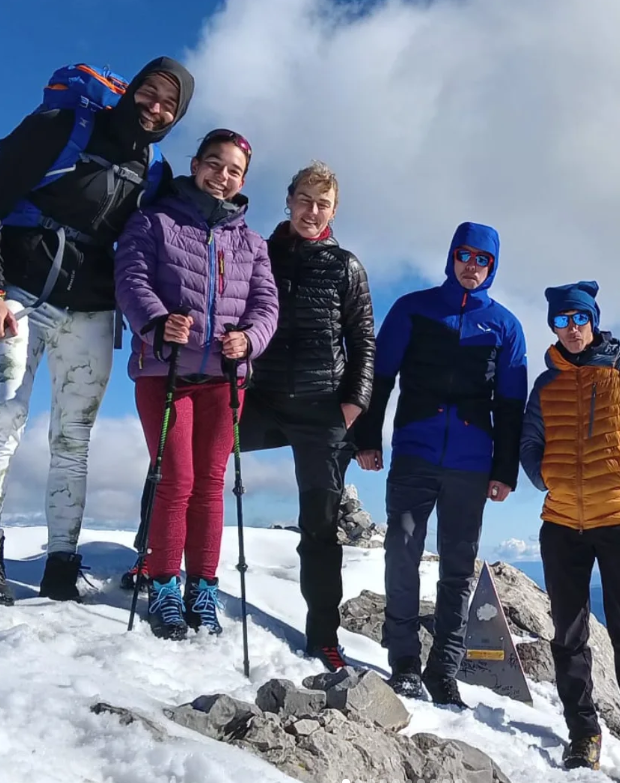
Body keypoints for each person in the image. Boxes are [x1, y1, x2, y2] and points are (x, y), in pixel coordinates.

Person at [0, 57, 194, 605]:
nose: (156, 108)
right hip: (17, 293)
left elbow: (169, 242)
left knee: (74, 437)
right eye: (149, 93)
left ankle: (62, 562)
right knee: (4, 420)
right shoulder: (63, 126)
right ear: (130, 91)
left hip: (89, 309)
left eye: (170, 104)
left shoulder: (154, 172)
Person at [354, 221, 528, 708]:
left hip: (472, 463)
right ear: (451, 257)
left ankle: (443, 671)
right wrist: (366, 439)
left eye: (482, 260)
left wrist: (504, 470)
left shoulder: (505, 326)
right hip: (415, 451)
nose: (472, 266)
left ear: (493, 266)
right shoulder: (413, 308)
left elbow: (510, 404)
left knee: (458, 567)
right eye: (464, 255)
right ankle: (405, 664)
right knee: (402, 553)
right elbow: (380, 377)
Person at [113, 128, 278, 640]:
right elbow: (131, 279)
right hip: (166, 371)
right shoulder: (154, 221)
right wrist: (158, 322)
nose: (222, 176)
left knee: (210, 484)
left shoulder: (252, 242)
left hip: (225, 379)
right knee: (176, 479)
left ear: (243, 180)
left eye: (233, 171)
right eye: (214, 163)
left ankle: (202, 587)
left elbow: (266, 306)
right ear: (196, 164)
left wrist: (249, 340)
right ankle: (164, 582)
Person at [519, 281, 620, 783]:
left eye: (579, 318)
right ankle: (583, 734)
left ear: (593, 320)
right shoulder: (546, 383)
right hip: (561, 522)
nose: (571, 328)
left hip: (618, 519)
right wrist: (543, 476)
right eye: (561, 320)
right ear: (553, 326)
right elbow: (529, 439)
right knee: (568, 635)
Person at [238, 160, 374, 671]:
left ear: (333, 211)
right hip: (262, 397)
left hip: (322, 409)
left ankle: (324, 637)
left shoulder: (346, 266)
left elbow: (363, 340)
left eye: (323, 204)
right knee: (187, 447)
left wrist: (353, 404)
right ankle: (151, 562)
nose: (312, 212)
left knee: (319, 527)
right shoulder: (260, 253)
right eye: (304, 200)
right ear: (289, 200)